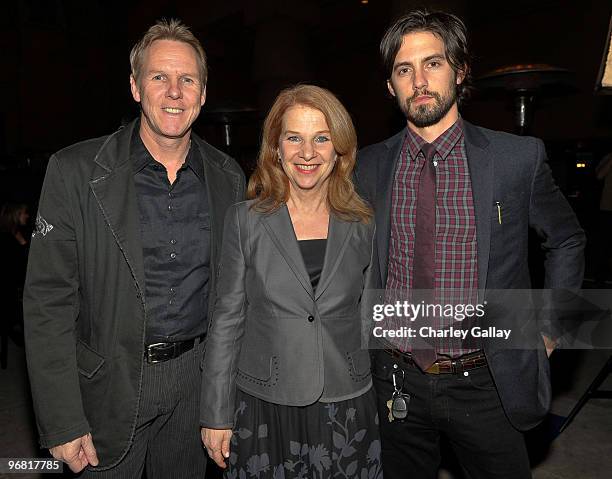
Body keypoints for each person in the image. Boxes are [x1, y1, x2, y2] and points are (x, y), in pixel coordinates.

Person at [355, 10, 585, 479]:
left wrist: (550, 328)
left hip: (488, 377)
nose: (419, 81)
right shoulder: (367, 167)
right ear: (390, 86)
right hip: (395, 376)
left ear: (460, 72)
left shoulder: (514, 158)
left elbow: (566, 239)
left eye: (433, 64)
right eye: (404, 69)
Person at [23, 19, 245, 477]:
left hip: (194, 384)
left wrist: (222, 397)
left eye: (188, 80)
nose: (174, 92)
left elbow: (232, 299)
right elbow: (48, 303)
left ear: (203, 93)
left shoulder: (228, 178)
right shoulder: (74, 172)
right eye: (159, 77)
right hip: (107, 383)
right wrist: (62, 419)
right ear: (135, 87)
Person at [200, 84, 383, 477]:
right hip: (266, 403)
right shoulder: (245, 220)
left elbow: (369, 316)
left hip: (346, 399)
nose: (307, 153)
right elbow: (227, 321)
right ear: (276, 148)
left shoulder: (363, 222)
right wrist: (215, 413)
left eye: (321, 138)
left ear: (340, 149)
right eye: (294, 138)